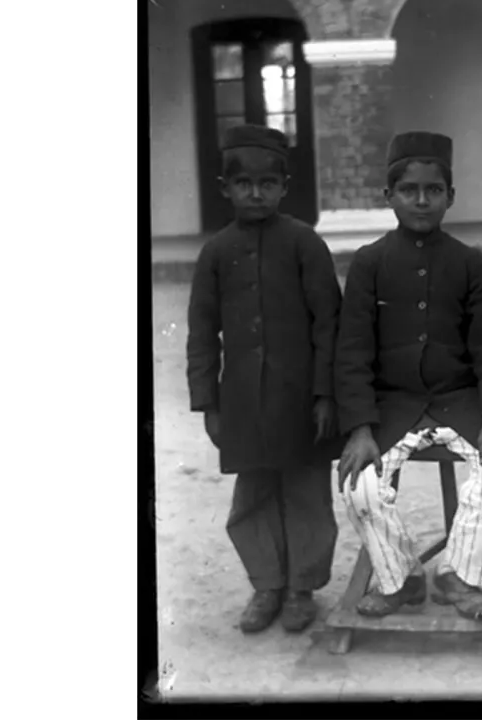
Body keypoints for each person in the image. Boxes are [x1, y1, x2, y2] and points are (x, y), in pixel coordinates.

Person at [334, 131, 482, 621]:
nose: (422, 200)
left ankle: (461, 576)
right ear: (389, 196)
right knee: (360, 486)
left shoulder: (469, 262)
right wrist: (359, 428)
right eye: (409, 190)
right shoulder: (369, 263)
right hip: (393, 408)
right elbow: (351, 352)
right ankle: (401, 579)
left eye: (434, 190)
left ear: (451, 197)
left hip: (459, 403)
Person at [185, 124, 343, 634]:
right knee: (252, 496)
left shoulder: (304, 244)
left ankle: (301, 589)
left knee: (306, 495)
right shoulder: (215, 252)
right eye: (244, 183)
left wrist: (325, 394)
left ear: (284, 186)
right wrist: (208, 403)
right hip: (243, 403)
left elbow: (329, 326)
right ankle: (267, 585)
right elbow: (202, 333)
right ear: (225, 187)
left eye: (268, 183)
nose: (256, 193)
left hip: (301, 401)